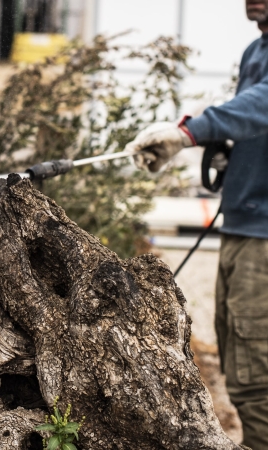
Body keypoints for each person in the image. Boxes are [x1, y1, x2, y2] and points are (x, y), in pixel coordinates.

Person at [125, 1, 268, 449]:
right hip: (243, 223)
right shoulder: (256, 51)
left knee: (256, 369)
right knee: (237, 353)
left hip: (264, 236)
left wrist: (190, 132)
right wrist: (230, 153)